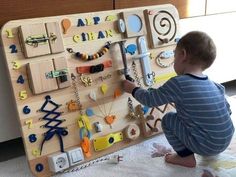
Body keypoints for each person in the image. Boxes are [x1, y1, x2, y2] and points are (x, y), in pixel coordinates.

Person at [123, 31, 235, 168]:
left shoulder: (179, 83)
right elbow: (227, 111)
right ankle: (208, 143)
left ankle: (186, 157)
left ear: (182, 55)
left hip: (207, 146)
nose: (174, 61)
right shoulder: (216, 85)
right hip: (226, 140)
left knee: (169, 119)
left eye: (174, 57)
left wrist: (133, 89)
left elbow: (150, 100)